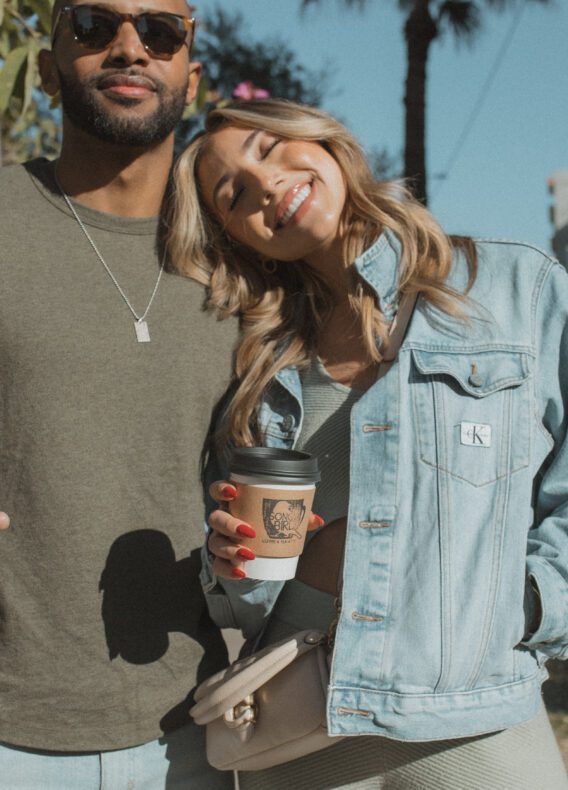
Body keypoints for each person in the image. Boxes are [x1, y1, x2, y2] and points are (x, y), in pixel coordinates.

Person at [168, 98, 568, 789]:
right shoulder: (257, 368)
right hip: (302, 739)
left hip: (475, 727)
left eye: (267, 147)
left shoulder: (514, 288)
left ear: (320, 138)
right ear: (237, 239)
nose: (264, 186)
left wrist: (528, 602)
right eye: (233, 195)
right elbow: (246, 599)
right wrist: (234, 561)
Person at [0, 2, 237, 787]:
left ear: (190, 77)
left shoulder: (245, 258)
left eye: (161, 33)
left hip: (193, 733)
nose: (131, 47)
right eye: (95, 26)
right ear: (45, 68)